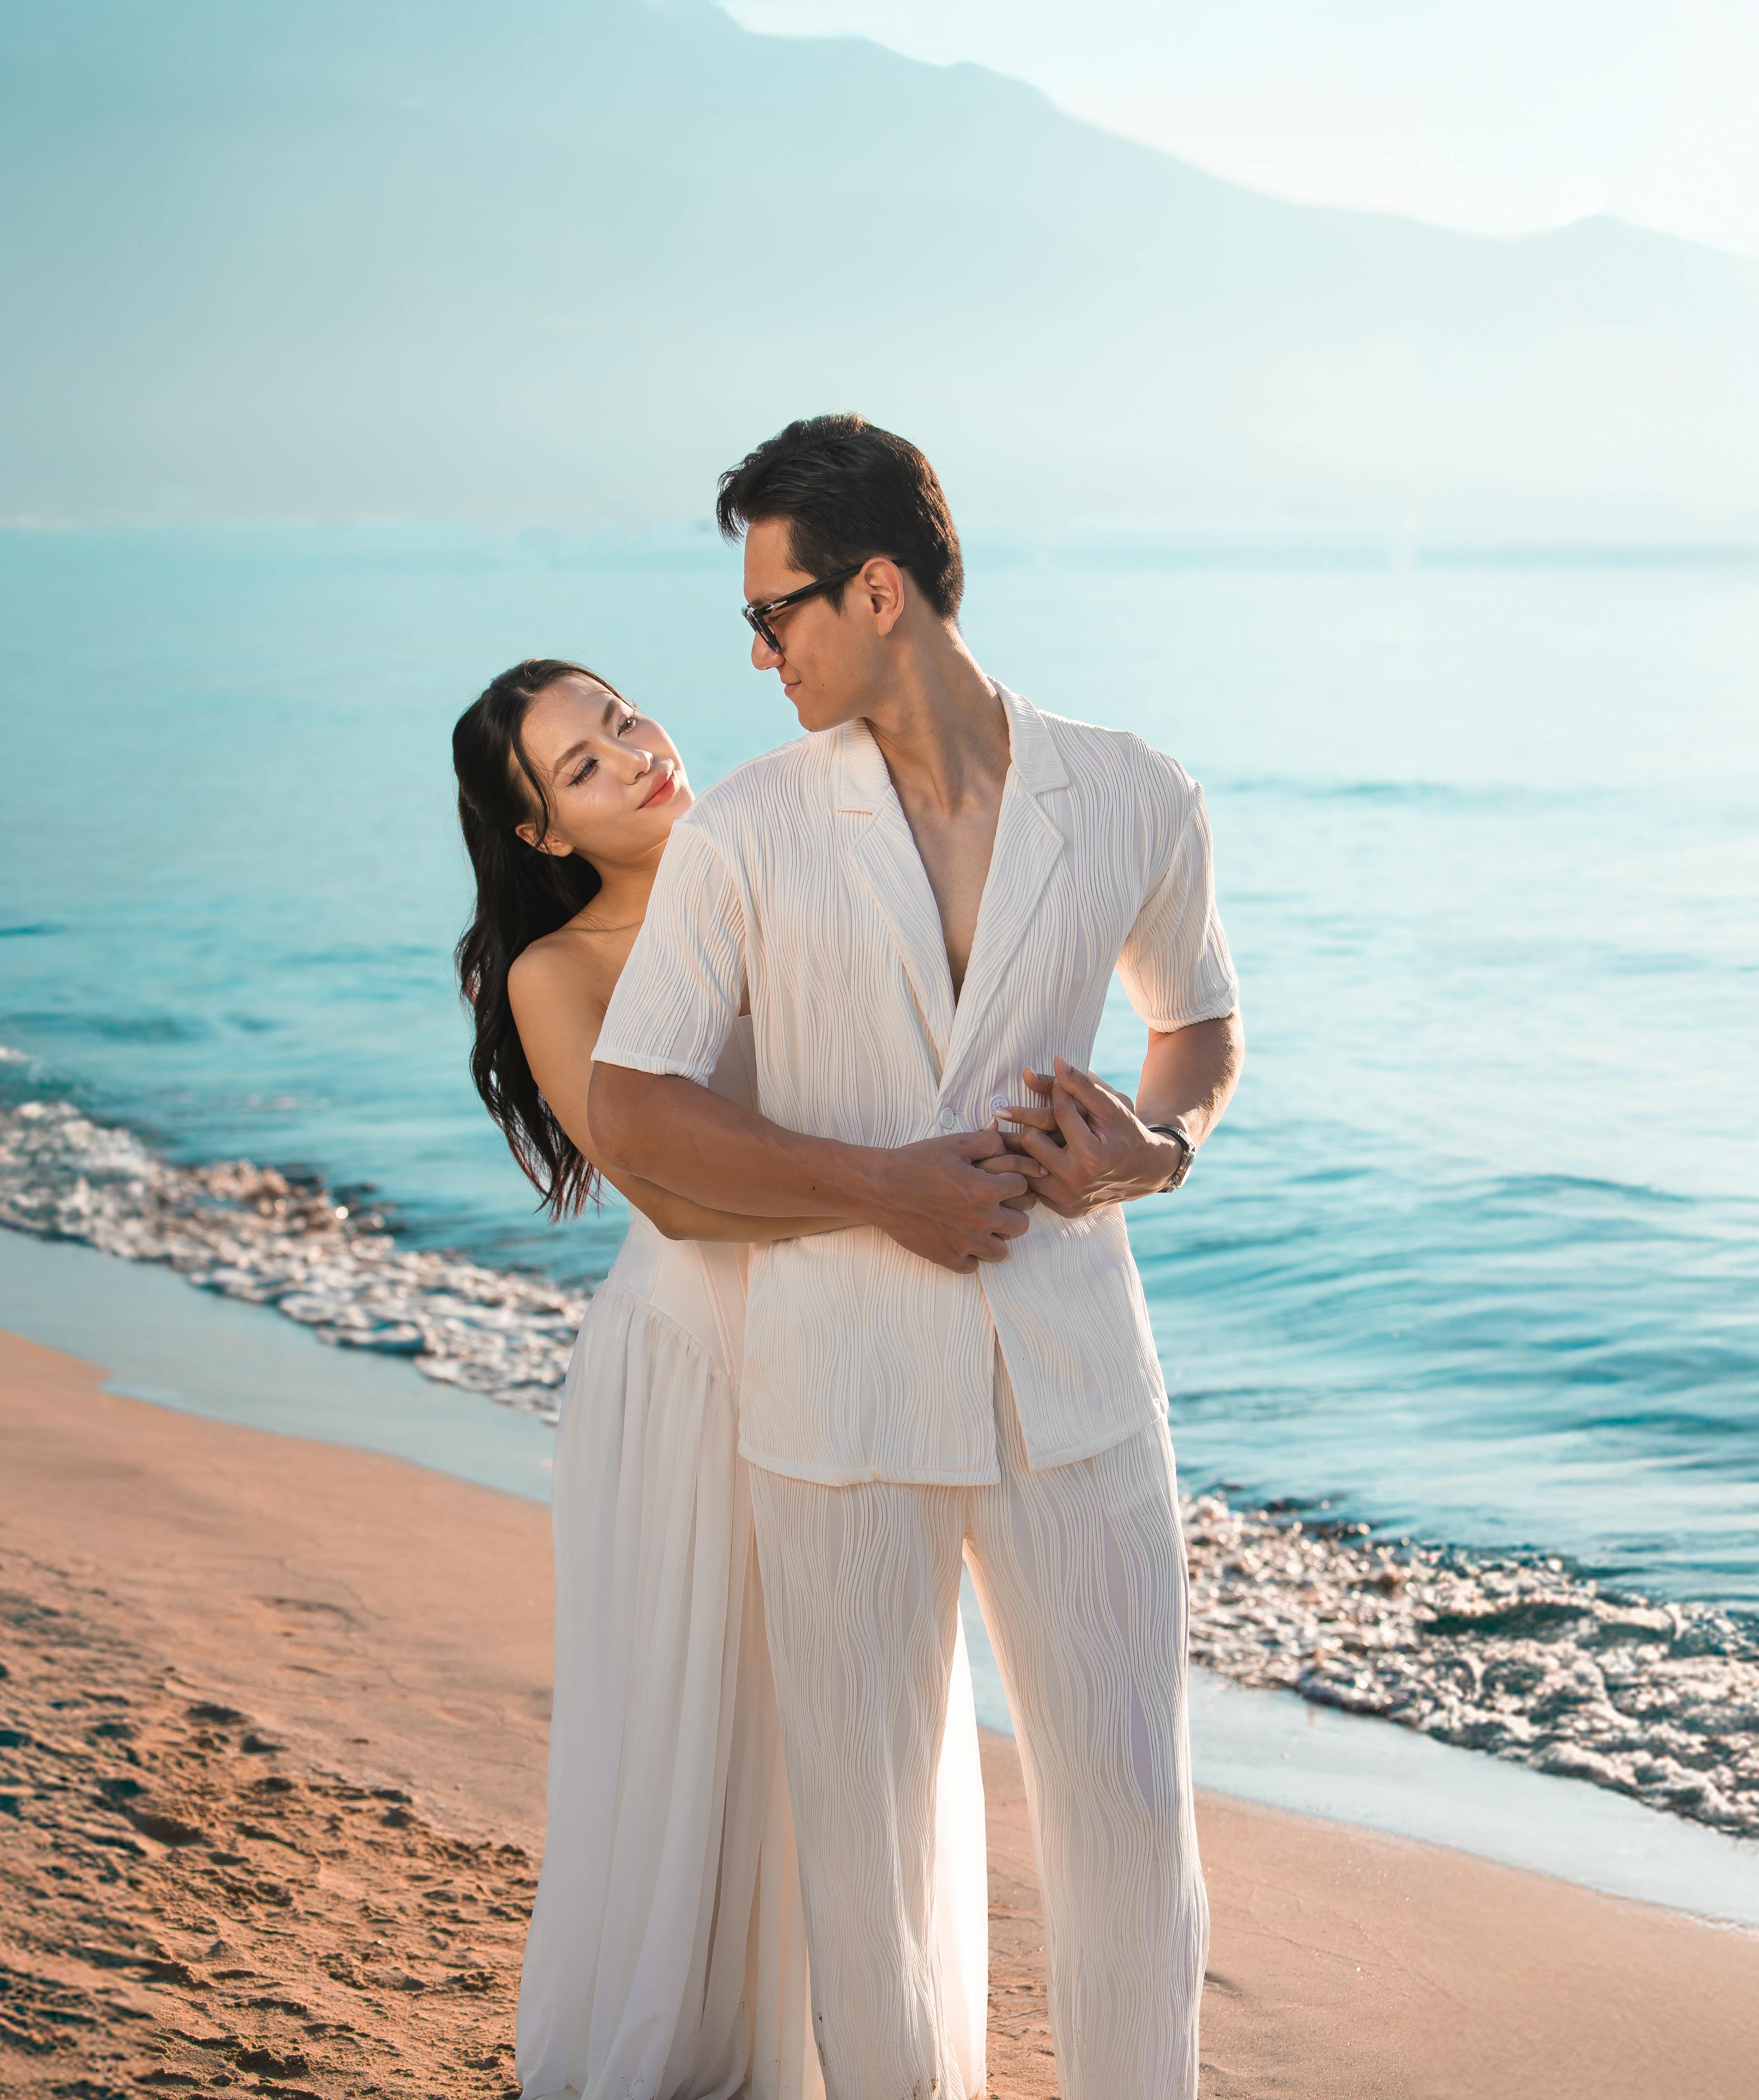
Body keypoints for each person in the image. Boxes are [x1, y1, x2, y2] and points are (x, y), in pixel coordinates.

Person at [588, 416, 1244, 2100]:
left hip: (1083, 1389)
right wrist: (885, 1186)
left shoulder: (1136, 795)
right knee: (865, 1852)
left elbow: (1200, 1027)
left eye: (778, 612)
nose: (756, 651)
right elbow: (633, 1108)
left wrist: (1149, 1152)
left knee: (1128, 1813)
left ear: (878, 590)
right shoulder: (745, 831)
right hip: (838, 1397)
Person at [454, 658, 985, 2100]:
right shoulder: (559, 972)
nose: (630, 755)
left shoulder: (777, 860)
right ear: (546, 836)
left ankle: (856, 2040)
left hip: (848, 1343)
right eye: (578, 765)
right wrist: (897, 1195)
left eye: (621, 719)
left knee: (863, 1704)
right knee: (698, 1710)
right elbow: (676, 1194)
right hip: (689, 1368)